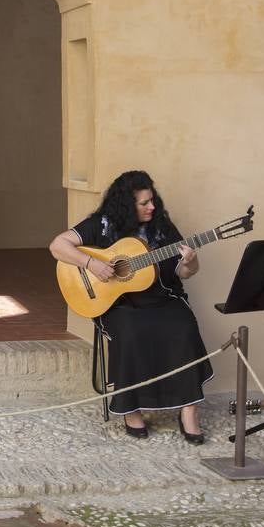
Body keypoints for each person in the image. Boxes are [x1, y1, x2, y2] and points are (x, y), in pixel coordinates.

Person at [48, 170, 211, 442]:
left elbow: (183, 273)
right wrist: (93, 264)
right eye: (144, 203)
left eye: (152, 200)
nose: (152, 207)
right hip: (118, 304)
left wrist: (190, 262)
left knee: (183, 325)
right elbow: (57, 246)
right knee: (131, 330)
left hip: (161, 299)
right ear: (126, 204)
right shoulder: (101, 225)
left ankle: (189, 410)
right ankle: (131, 409)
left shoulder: (162, 228)